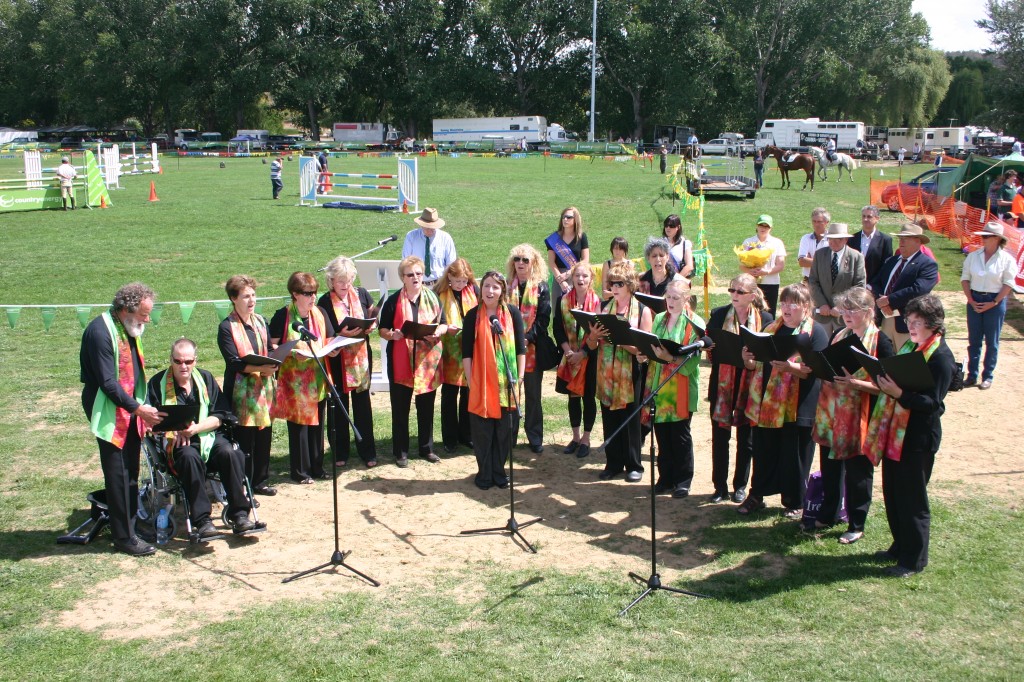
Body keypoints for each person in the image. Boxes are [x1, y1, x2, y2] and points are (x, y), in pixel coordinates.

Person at [868, 294, 955, 577]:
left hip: (918, 438)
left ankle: (914, 560)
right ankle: (900, 546)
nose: (911, 326)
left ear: (933, 324)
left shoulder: (940, 357)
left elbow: (932, 405)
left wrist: (900, 394)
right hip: (896, 431)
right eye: (909, 320)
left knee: (912, 499)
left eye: (917, 322)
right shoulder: (910, 347)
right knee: (893, 493)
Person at [80, 283, 163, 556]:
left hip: (128, 407)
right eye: (143, 314)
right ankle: (123, 537)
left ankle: (130, 524)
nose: (147, 320)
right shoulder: (100, 332)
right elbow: (107, 383)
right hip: (108, 409)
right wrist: (139, 410)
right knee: (118, 473)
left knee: (131, 469)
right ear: (126, 310)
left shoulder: (127, 328)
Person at [147, 338, 260, 539]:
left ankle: (240, 514)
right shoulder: (157, 384)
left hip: (207, 435)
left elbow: (220, 416)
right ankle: (202, 520)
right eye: (178, 361)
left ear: (195, 361)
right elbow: (150, 422)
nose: (183, 366)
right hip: (178, 442)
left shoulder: (206, 379)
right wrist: (172, 431)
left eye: (188, 361)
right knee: (189, 457)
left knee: (229, 452)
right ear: (170, 360)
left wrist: (196, 428)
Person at [811, 288, 895, 544]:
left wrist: (856, 384)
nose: (845, 314)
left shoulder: (882, 342)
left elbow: (889, 387)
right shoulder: (839, 335)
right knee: (830, 466)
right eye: (843, 309)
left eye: (852, 310)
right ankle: (829, 512)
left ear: (868, 313)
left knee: (859, 472)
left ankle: (857, 522)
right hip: (832, 412)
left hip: (862, 415)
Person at [738, 283, 828, 517]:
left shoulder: (816, 332)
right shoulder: (771, 329)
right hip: (768, 403)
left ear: (806, 307)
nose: (786, 308)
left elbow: (815, 370)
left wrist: (791, 368)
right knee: (764, 449)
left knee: (795, 454)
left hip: (800, 403)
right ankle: (757, 494)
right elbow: (754, 365)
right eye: (784, 303)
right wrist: (747, 358)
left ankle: (795, 501)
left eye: (793, 304)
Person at [707, 274, 772, 504]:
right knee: (720, 436)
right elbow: (710, 348)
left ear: (752, 296)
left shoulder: (765, 319)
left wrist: (750, 361)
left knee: (747, 438)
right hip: (723, 384)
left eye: (739, 292)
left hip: (750, 385)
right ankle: (719, 486)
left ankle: (740, 485)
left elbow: (766, 356)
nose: (734, 295)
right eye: (731, 290)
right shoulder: (718, 315)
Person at [378, 256, 447, 466]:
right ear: (402, 278)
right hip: (401, 362)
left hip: (427, 362)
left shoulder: (434, 298)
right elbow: (382, 330)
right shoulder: (392, 302)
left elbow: (443, 324)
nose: (416, 277)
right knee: (400, 409)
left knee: (426, 408)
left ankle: (426, 449)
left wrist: (438, 333)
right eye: (411, 274)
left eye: (418, 273)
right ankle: (401, 452)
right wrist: (393, 335)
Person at [588, 261, 653, 482]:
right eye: (611, 283)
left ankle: (634, 464)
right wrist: (593, 337)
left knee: (630, 418)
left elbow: (645, 349)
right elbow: (591, 346)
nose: (614, 287)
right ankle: (613, 463)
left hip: (631, 372)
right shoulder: (603, 309)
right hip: (606, 372)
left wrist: (620, 339)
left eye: (619, 283)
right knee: (609, 416)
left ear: (630, 284)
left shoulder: (642, 311)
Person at [462, 271, 527, 489]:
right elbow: (466, 353)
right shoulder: (472, 316)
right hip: (481, 383)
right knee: (482, 432)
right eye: (487, 286)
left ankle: (499, 471)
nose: (490, 291)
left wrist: (519, 377)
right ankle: (485, 473)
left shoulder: (513, 315)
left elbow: (520, 349)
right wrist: (472, 383)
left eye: (495, 287)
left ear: (502, 292)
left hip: (506, 383)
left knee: (504, 431)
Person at [269, 272, 334, 483]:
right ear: (295, 294)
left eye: (314, 292)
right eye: (307, 293)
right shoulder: (283, 316)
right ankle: (300, 472)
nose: (313, 297)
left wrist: (332, 349)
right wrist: (288, 351)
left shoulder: (321, 312)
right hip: (294, 381)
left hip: (317, 377)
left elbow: (329, 338)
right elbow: (272, 344)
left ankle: (318, 468)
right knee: (299, 427)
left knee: (318, 424)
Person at [217, 275, 277, 495]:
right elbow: (233, 362)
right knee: (245, 442)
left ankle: (261, 481)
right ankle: (245, 486)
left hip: (264, 389)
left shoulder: (260, 320)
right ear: (234, 299)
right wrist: (260, 369)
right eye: (245, 296)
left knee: (264, 437)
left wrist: (274, 361)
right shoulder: (226, 326)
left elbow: (269, 350)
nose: (251, 300)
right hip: (241, 393)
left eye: (253, 295)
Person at [318, 256, 378, 467]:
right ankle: (340, 452)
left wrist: (372, 324)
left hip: (361, 358)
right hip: (338, 359)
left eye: (349, 280)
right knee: (339, 406)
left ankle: (368, 451)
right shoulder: (324, 301)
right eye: (340, 281)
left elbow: (372, 315)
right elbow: (324, 331)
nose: (345, 285)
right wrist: (339, 334)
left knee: (363, 406)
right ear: (331, 281)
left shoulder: (361, 293)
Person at [647, 279, 703, 498]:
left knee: (680, 435)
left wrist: (669, 357)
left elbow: (692, 363)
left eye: (675, 298)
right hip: (661, 384)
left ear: (686, 299)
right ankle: (665, 477)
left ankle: (683, 480)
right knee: (662, 433)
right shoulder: (660, 319)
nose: (670, 302)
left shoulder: (695, 323)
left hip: (681, 386)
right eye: (668, 297)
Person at [960, 222, 1017, 389]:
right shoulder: (973, 256)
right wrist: (971, 300)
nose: (983, 238)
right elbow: (965, 279)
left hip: (995, 300)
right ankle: (972, 375)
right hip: (975, 298)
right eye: (983, 235)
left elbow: (1008, 284)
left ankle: (988, 376)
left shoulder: (1007, 260)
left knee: (992, 341)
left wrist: (993, 302)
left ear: (998, 239)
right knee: (974, 340)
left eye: (987, 236)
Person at [554, 261, 602, 459]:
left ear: (591, 279)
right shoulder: (563, 300)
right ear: (571, 278)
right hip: (569, 357)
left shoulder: (598, 303)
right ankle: (575, 437)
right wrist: (568, 352)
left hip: (589, 358)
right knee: (572, 398)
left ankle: (586, 438)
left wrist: (582, 354)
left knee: (588, 398)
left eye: (584, 276)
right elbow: (557, 328)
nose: (580, 279)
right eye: (577, 276)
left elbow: (598, 334)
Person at [507, 244, 551, 453]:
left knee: (533, 396)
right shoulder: (506, 287)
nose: (521, 263)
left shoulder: (542, 287)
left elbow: (543, 319)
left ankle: (535, 437)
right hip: (509, 350)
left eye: (525, 259)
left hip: (532, 350)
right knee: (511, 394)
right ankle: (510, 436)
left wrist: (527, 339)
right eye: (517, 259)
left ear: (534, 262)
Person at [869, 223, 939, 349]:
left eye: (905, 239)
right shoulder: (892, 261)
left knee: (904, 359)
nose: (901, 242)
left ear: (918, 241)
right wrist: (881, 302)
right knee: (885, 358)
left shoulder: (927, 264)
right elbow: (875, 282)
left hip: (908, 322)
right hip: (886, 318)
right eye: (900, 238)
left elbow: (919, 290)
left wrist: (889, 301)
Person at [435, 258, 479, 452]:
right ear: (449, 277)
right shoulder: (439, 294)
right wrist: (445, 328)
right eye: (457, 281)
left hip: (470, 350)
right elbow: (433, 321)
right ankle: (450, 438)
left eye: (465, 281)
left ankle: (466, 434)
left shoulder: (474, 292)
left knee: (468, 394)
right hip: (448, 352)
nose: (461, 285)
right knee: (449, 394)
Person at [808, 222, 867, 334]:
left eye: (838, 239)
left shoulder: (856, 257)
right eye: (830, 239)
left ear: (845, 240)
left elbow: (859, 286)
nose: (833, 242)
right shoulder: (819, 254)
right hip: (822, 315)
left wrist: (841, 306)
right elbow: (813, 281)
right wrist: (822, 303)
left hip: (845, 317)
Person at [739, 214, 787, 314]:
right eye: (761, 225)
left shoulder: (777, 243)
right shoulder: (748, 242)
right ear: (756, 226)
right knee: (750, 311)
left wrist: (766, 272)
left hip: (771, 283)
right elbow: (741, 265)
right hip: (751, 283)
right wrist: (750, 271)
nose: (763, 228)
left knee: (768, 312)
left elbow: (781, 265)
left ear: (771, 228)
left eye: (766, 226)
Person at [402, 207, 457, 286]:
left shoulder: (445, 238)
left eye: (433, 228)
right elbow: (406, 262)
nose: (430, 230)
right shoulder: (411, 237)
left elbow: (451, 263)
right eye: (427, 228)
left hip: (439, 285)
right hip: (418, 284)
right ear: (421, 225)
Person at [545, 206, 590, 298]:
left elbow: (585, 260)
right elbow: (551, 262)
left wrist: (569, 273)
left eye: (569, 217)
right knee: (557, 308)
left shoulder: (581, 237)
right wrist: (561, 280)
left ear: (575, 219)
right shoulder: (554, 238)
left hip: (576, 275)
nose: (565, 219)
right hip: (559, 276)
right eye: (563, 217)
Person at [849, 205, 893, 282]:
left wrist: (873, 285)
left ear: (877, 219)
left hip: (874, 285)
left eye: (869, 217)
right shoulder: (852, 239)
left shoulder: (885, 240)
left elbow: (886, 266)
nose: (865, 219)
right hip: (853, 284)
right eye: (863, 216)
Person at [797, 208, 831, 281]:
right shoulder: (806, 238)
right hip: (809, 279)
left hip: (827, 280)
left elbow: (831, 263)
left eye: (819, 222)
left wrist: (810, 260)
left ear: (827, 222)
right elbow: (802, 262)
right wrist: (823, 262)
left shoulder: (832, 239)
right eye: (814, 221)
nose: (816, 224)